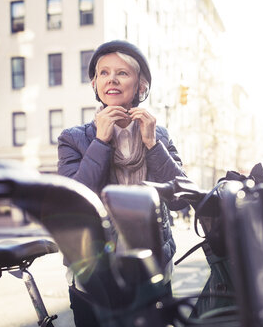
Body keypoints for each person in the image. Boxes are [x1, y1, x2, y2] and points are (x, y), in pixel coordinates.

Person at [57, 40, 186, 327]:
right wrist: (100, 142)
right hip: (93, 271)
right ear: (95, 84)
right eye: (103, 73)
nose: (111, 79)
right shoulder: (73, 138)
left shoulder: (159, 134)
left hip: (153, 267)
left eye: (122, 73)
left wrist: (153, 144)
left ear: (141, 86)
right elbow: (73, 203)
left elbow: (180, 198)